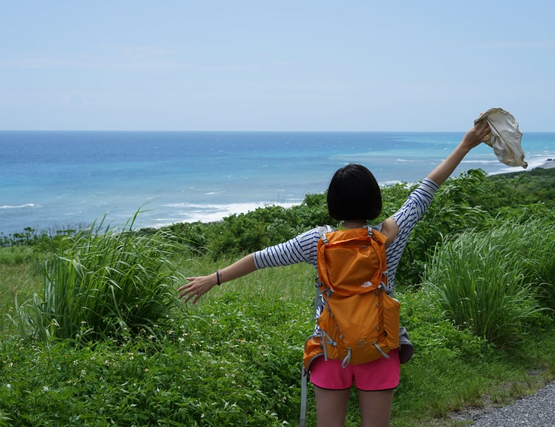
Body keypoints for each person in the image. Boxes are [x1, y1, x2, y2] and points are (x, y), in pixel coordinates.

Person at [178, 121, 491, 427]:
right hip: (379, 348)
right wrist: (466, 144)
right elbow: (426, 190)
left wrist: (213, 278)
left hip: (329, 348)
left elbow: (260, 259)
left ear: (333, 203)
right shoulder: (389, 236)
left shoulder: (316, 242)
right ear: (374, 200)